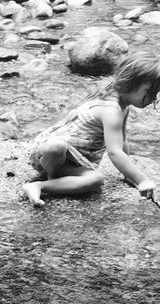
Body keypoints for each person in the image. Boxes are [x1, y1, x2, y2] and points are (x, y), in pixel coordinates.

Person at [21, 54, 160, 207]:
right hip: (48, 155)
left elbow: (121, 141)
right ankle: (53, 180)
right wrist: (142, 180)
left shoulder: (121, 105)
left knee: (96, 180)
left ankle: (41, 186)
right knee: (56, 146)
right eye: (150, 91)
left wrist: (129, 174)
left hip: (74, 161)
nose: (153, 98)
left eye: (156, 93)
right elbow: (114, 153)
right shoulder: (110, 110)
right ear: (131, 82)